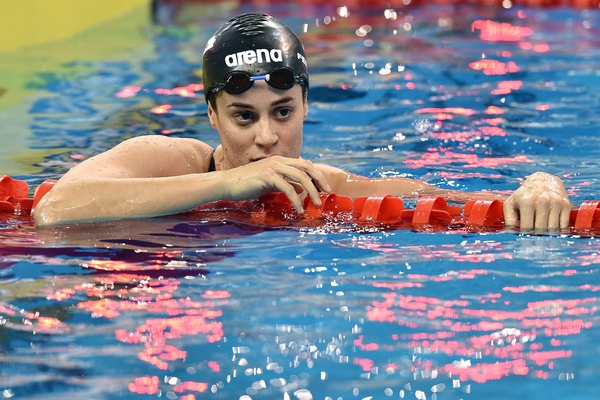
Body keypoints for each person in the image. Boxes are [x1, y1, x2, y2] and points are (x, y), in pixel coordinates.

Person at [33, 12, 571, 230]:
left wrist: (543, 184)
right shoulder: (168, 158)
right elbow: (55, 208)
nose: (267, 138)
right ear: (211, 116)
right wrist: (227, 182)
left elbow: (454, 202)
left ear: (307, 107)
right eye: (243, 117)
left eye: (283, 112)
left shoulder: (326, 185)